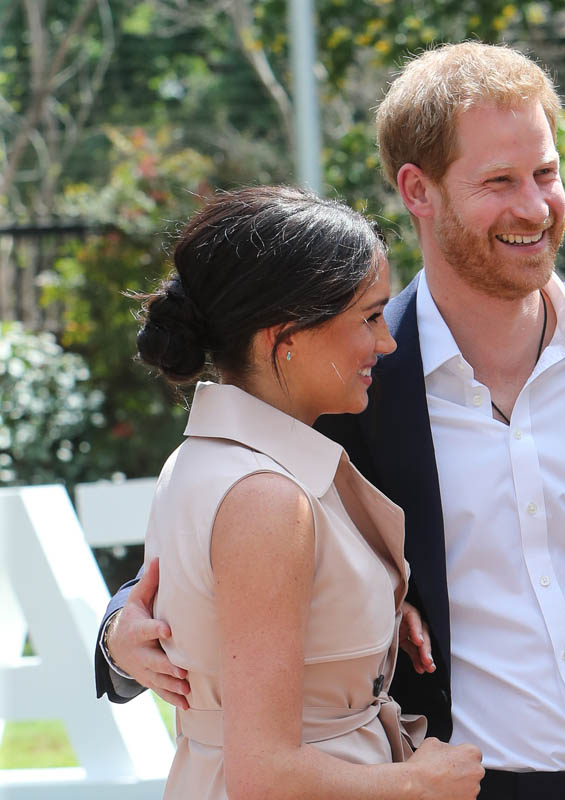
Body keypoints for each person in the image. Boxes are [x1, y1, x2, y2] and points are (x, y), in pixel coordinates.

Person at [96, 43, 565, 800]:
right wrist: (117, 633)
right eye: (499, 181)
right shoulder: (344, 376)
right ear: (417, 189)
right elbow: (220, 541)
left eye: (546, 173)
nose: (535, 207)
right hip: (440, 783)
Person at [116, 186, 484, 799]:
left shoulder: (208, 458)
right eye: (369, 318)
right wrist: (420, 782)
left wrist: (371, 608)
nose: (386, 343)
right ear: (284, 337)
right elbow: (264, 774)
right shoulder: (266, 496)